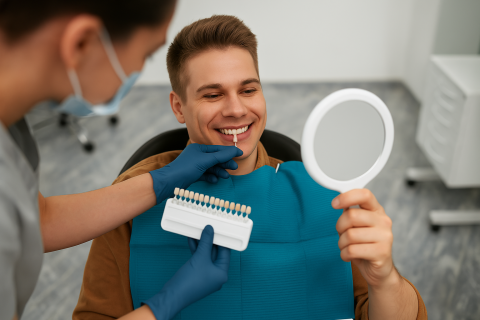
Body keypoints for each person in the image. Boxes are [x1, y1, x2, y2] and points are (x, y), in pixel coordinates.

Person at [74, 15, 428, 320]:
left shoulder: (327, 196)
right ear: (178, 107)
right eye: (213, 95)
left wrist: (385, 279)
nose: (236, 109)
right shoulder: (131, 202)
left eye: (248, 90)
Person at [0, 2, 244, 320]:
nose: (236, 109)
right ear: (82, 43)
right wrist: (163, 306)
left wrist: (163, 180)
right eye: (146, 53)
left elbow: (37, 220)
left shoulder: (11, 129)